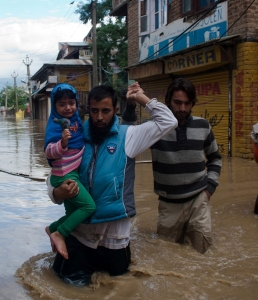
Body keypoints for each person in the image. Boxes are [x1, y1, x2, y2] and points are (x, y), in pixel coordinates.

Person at [47, 83, 178, 285]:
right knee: (67, 288)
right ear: (88, 110)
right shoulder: (76, 136)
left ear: (115, 110)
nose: (99, 117)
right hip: (79, 236)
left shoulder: (129, 136)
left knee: (119, 289)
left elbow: (168, 121)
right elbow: (55, 172)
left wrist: (141, 97)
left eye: (106, 111)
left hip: (114, 239)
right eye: (94, 111)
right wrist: (57, 192)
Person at [122, 78, 222, 254]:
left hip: (199, 199)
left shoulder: (203, 126)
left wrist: (209, 189)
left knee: (203, 252)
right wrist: (131, 105)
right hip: (169, 204)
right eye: (177, 103)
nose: (182, 108)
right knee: (167, 254)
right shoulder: (156, 129)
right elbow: (126, 136)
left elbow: (215, 158)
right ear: (168, 102)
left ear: (192, 104)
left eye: (187, 103)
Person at [44, 83, 95, 260]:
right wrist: (62, 144)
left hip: (72, 174)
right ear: (55, 106)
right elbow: (48, 152)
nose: (68, 108)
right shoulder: (54, 126)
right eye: (62, 104)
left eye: (71, 103)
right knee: (89, 206)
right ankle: (59, 232)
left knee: (71, 214)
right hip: (65, 176)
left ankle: (52, 228)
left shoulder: (76, 121)